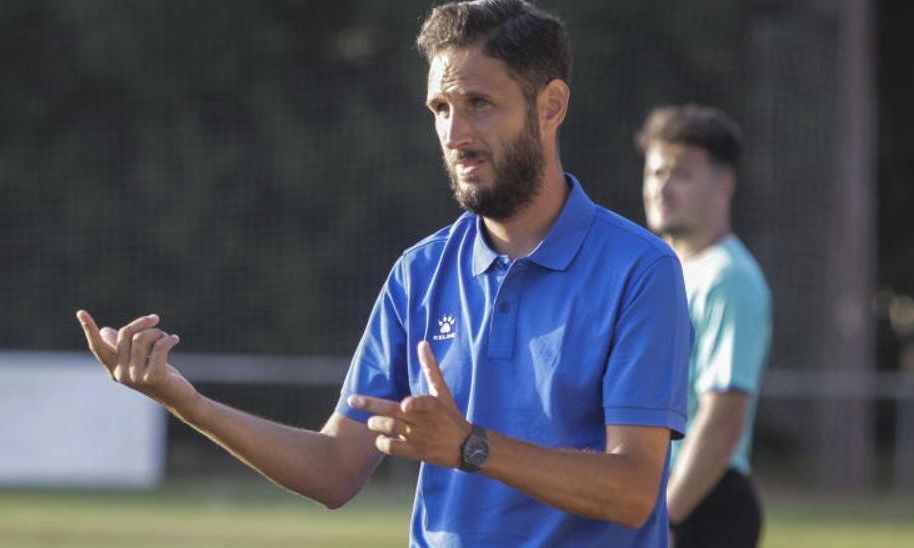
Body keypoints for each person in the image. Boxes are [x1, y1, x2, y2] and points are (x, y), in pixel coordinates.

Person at [74, 1, 692, 545]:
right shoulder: (419, 272)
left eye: (479, 104)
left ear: (551, 105)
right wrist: (187, 402)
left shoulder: (640, 270)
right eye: (440, 107)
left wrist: (469, 446)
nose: (455, 133)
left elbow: (632, 492)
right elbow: (335, 469)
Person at [637, 105, 771, 548]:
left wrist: (667, 517)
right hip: (658, 495)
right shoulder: (662, 269)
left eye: (681, 173)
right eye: (655, 172)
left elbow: (723, 416)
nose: (662, 186)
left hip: (701, 504)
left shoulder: (727, 277)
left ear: (725, 184)